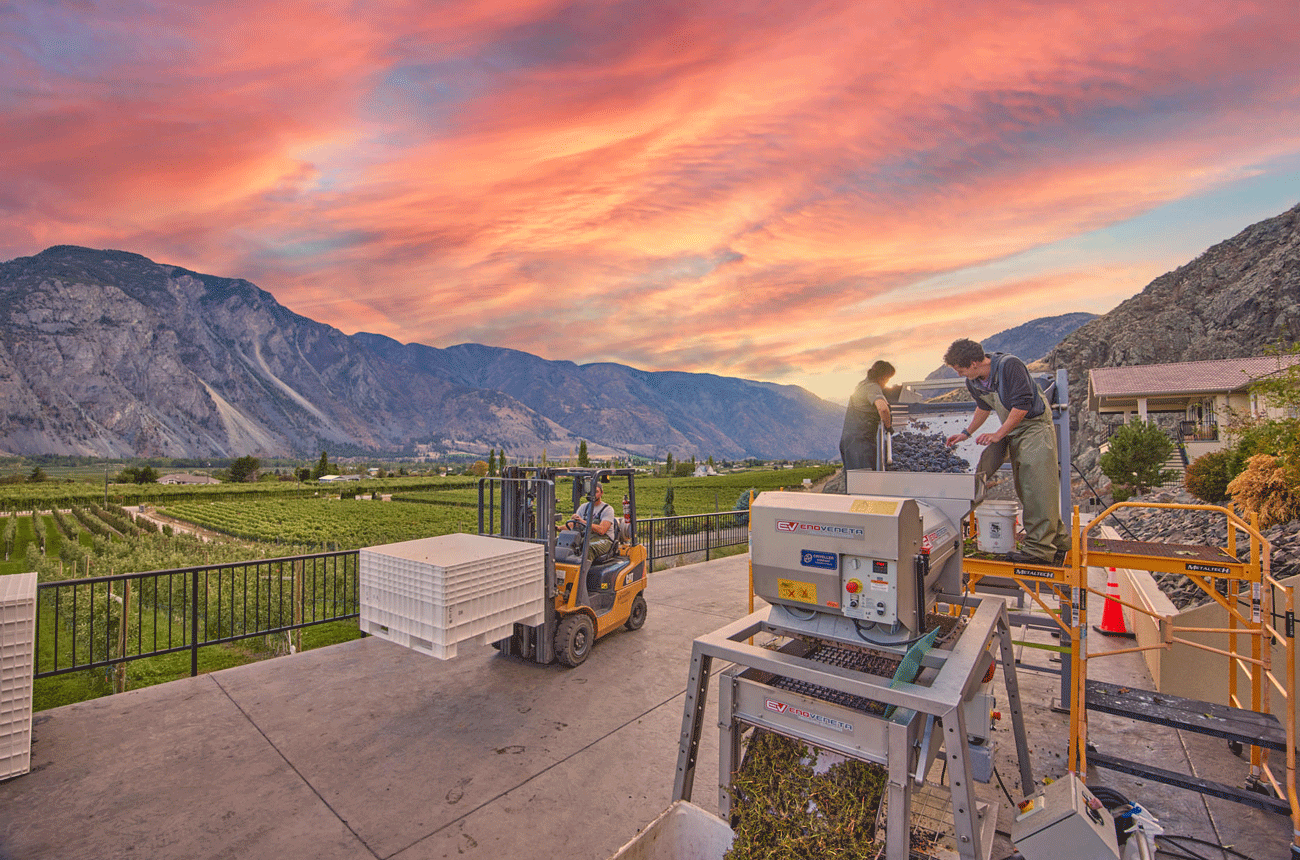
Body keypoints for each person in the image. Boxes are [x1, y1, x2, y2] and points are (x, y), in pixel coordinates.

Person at [942, 339, 1070, 565]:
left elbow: (1022, 405)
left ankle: (1040, 551)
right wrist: (966, 433)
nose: (959, 373)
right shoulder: (974, 381)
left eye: (960, 368)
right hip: (1014, 430)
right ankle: (1058, 544)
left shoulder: (1010, 366)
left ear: (973, 363)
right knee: (1027, 488)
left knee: (1038, 487)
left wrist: (998, 434)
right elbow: (984, 407)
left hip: (1035, 427)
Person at [839, 360, 896, 470]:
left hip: (849, 442)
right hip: (860, 446)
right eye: (888, 379)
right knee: (864, 482)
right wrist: (888, 427)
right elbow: (883, 409)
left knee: (854, 482)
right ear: (883, 377)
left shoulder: (861, 385)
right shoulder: (872, 387)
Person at [563, 481, 619, 562]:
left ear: (601, 493)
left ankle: (582, 573)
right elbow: (572, 526)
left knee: (587, 548)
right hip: (587, 537)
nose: (592, 494)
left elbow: (602, 530)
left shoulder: (607, 509)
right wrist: (556, 528)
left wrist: (584, 521)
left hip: (604, 540)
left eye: (596, 492)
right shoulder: (584, 507)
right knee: (566, 543)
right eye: (590, 492)